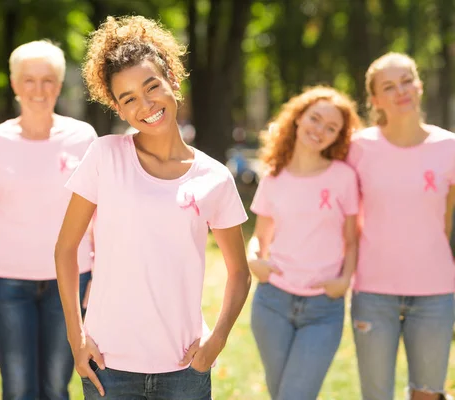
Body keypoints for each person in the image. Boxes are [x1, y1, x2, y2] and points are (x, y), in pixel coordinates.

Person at [55, 15, 251, 400]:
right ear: (118, 108)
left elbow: (240, 274)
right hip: (108, 368)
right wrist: (77, 338)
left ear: (173, 81)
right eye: (129, 99)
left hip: (184, 371)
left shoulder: (214, 178)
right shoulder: (104, 156)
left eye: (152, 87)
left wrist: (217, 341)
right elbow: (65, 250)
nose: (146, 105)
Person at [0, 40, 97, 400]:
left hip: (70, 279)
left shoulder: (84, 137)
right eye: (28, 80)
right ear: (14, 84)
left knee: (57, 387)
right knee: (18, 388)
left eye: (47, 80)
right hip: (7, 282)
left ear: (59, 85)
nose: (38, 89)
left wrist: (98, 269)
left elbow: (100, 212)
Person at [348, 52, 455, 400]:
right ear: (375, 99)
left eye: (407, 80)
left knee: (428, 394)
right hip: (373, 293)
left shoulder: (449, 147)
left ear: (419, 84)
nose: (401, 91)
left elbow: (446, 219)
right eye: (389, 86)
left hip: (435, 294)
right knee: (376, 395)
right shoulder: (358, 147)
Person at [248, 86, 361, 399]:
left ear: (338, 137)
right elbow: (259, 236)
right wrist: (254, 260)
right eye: (315, 119)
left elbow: (351, 240)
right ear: (298, 118)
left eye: (331, 128)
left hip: (324, 307)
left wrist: (344, 280)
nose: (320, 130)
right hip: (272, 303)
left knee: (295, 394)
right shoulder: (273, 176)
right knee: (281, 393)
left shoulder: (344, 177)